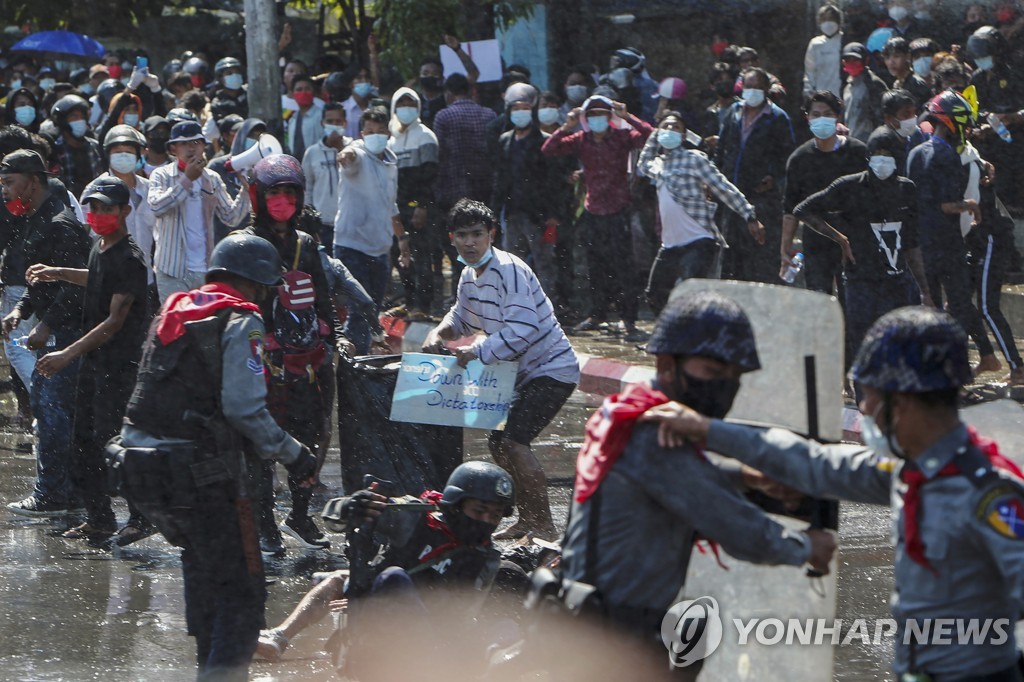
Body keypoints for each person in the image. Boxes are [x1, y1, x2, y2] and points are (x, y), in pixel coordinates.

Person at [642, 305, 1024, 682]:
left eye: (870, 395)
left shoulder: (987, 494)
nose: (864, 408)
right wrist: (709, 430)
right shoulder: (911, 473)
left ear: (902, 402)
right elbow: (814, 462)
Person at [557, 291, 835, 678]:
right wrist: (807, 547)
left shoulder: (627, 411)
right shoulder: (653, 435)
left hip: (590, 624)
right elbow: (737, 528)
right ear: (668, 365)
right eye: (712, 371)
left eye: (733, 378)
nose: (724, 387)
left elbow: (670, 484)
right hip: (615, 641)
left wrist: (746, 476)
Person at [115, 233, 318, 681]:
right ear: (255, 285)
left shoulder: (175, 308)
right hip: (200, 474)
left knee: (204, 574)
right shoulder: (240, 318)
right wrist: (296, 455)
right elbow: (244, 409)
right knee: (243, 594)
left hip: (140, 468)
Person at [423, 199, 579, 540]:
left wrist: (476, 351)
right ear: (452, 238)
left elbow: (525, 331)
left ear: (492, 234)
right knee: (498, 443)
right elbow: (461, 319)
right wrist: (437, 333)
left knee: (514, 441)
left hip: (553, 368)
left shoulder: (509, 269)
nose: (470, 242)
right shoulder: (468, 274)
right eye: (462, 235)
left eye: (477, 234)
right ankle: (528, 518)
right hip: (521, 373)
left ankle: (544, 526)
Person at [257, 461, 516, 662]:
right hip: (381, 609)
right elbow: (335, 518)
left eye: (495, 515)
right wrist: (350, 506)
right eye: (478, 511)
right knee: (345, 579)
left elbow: (462, 616)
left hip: (432, 636)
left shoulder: (488, 560)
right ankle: (280, 637)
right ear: (456, 505)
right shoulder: (415, 518)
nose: (486, 521)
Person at [24, 176, 153, 543]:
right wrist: (57, 271)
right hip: (95, 364)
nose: (97, 214)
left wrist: (67, 352)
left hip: (120, 365)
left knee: (116, 443)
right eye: (93, 207)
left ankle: (141, 518)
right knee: (84, 440)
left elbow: (115, 321)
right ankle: (99, 518)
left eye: (106, 208)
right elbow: (97, 278)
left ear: (125, 211)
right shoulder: (100, 247)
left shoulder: (130, 258)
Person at [241, 154, 341, 554]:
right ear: (258, 197)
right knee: (262, 447)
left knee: (311, 439)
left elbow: (323, 298)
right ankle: (264, 524)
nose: (281, 201)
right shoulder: (243, 245)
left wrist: (333, 338)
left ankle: (299, 514)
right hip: (261, 364)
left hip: (308, 363)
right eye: (274, 193)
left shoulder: (307, 244)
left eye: (289, 193)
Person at [793, 129, 931, 371]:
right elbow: (804, 210)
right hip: (861, 281)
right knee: (863, 345)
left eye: (887, 155)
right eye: (876, 154)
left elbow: (911, 243)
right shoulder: (850, 186)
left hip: (897, 283)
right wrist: (840, 239)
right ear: (868, 157)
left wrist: (924, 289)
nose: (882, 160)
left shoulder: (906, 189)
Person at [1, 150, 92, 517]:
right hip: (54, 331)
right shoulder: (36, 220)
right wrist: (20, 311)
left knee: (54, 414)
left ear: (32, 181)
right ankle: (66, 491)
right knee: (48, 408)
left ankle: (54, 495)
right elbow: (38, 280)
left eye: (9, 182)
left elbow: (75, 285)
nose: (4, 191)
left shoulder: (60, 223)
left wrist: (45, 324)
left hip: (69, 335)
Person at [541, 95, 653, 338]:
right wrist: (567, 126)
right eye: (591, 115)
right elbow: (549, 149)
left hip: (619, 209)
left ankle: (629, 319)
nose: (597, 119)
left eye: (602, 113)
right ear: (585, 119)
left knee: (625, 268)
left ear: (609, 117)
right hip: (593, 211)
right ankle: (597, 313)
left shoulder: (622, 137)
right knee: (596, 266)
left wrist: (627, 116)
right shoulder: (581, 139)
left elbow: (650, 136)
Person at [908, 91, 1000, 378]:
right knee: (959, 304)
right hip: (948, 245)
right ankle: (962, 365)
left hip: (921, 243)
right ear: (953, 123)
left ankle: (936, 369)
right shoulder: (946, 155)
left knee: (932, 308)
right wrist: (970, 205)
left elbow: (913, 200)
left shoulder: (914, 152)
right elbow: (947, 205)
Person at [638, 110, 762, 315]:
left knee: (689, 291)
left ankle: (692, 341)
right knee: (655, 294)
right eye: (665, 127)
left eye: (675, 127)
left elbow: (723, 187)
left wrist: (749, 214)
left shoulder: (694, 159)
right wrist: (654, 133)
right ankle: (670, 338)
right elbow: (643, 163)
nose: (670, 130)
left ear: (684, 136)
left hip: (698, 239)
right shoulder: (657, 164)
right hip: (670, 244)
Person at [334, 106, 410, 353]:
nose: (375, 135)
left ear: (388, 133)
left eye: (380, 130)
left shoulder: (390, 162)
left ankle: (359, 356)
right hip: (351, 246)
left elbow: (391, 204)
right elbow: (349, 158)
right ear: (362, 133)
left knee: (373, 309)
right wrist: (345, 155)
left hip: (380, 248)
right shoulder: (357, 154)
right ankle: (354, 364)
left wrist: (402, 239)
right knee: (361, 308)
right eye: (369, 131)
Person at [147, 120, 250, 301]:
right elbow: (157, 207)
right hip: (172, 270)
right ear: (173, 150)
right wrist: (186, 179)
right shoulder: (161, 175)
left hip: (205, 269)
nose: (191, 149)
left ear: (204, 147)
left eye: (196, 143)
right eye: (184, 144)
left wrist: (246, 190)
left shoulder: (212, 178)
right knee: (176, 325)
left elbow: (231, 217)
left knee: (204, 324)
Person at [781, 90, 868, 295]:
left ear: (837, 116)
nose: (822, 119)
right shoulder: (799, 159)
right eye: (816, 114)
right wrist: (784, 249)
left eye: (827, 114)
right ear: (808, 118)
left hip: (854, 236)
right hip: (817, 237)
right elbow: (790, 209)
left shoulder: (857, 153)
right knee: (818, 296)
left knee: (853, 299)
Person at [715, 67, 795, 283]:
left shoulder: (777, 118)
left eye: (758, 88)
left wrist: (775, 179)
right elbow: (722, 150)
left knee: (761, 256)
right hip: (731, 196)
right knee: (730, 257)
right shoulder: (733, 112)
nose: (752, 92)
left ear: (767, 89)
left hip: (762, 199)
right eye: (748, 87)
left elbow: (787, 159)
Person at [490, 83, 560, 299]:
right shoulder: (504, 141)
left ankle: (548, 308)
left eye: (525, 109)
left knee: (544, 263)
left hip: (538, 214)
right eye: (515, 109)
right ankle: (517, 306)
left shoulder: (544, 142)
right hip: (512, 212)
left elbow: (551, 181)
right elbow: (500, 179)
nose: (520, 113)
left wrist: (553, 214)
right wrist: (493, 212)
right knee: (513, 264)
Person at [433, 73, 497, 293]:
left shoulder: (443, 117)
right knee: (484, 243)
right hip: (485, 192)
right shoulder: (489, 114)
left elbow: (440, 155)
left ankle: (464, 293)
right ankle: (488, 290)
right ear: (470, 91)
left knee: (459, 246)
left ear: (448, 93)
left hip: (454, 192)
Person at [388, 86, 439, 319]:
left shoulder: (426, 136)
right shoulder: (391, 140)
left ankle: (423, 305)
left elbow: (430, 176)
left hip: (418, 208)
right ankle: (409, 302)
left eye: (410, 104)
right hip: (397, 209)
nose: (405, 108)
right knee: (401, 256)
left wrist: (423, 205)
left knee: (421, 256)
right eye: (401, 104)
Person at [100, 125, 155, 288]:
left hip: (147, 279)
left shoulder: (150, 188)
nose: (123, 155)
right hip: (112, 281)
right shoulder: (96, 189)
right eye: (117, 151)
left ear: (138, 156)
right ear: (108, 155)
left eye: (129, 151)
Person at [301, 102, 350, 247]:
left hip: (350, 223)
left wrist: (340, 148)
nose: (334, 125)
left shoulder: (354, 149)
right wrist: (310, 222)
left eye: (338, 122)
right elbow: (307, 188)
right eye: (330, 121)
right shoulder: (312, 153)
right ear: (322, 123)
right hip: (323, 225)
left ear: (345, 123)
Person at [50, 94, 104, 197]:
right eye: (74, 116)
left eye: (82, 117)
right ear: (62, 121)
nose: (79, 120)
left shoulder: (94, 146)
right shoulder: (56, 149)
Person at [871, 88, 928, 176]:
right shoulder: (880, 142)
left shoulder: (919, 137)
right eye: (906, 115)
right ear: (888, 118)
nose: (912, 119)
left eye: (914, 113)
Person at [841, 42, 889, 143]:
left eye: (856, 60)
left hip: (870, 142)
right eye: (848, 60)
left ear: (865, 61)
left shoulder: (873, 84)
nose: (852, 63)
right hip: (852, 143)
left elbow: (883, 118)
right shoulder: (848, 87)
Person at [803, 4, 844, 100]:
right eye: (824, 20)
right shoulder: (815, 44)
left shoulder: (844, 41)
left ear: (838, 21)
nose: (828, 23)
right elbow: (809, 72)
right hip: (821, 96)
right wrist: (808, 93)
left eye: (831, 19)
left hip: (841, 97)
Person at [881, 37, 932, 108]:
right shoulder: (897, 84)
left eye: (896, 56)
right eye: (887, 58)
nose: (891, 62)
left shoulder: (917, 84)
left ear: (907, 56)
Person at [284, 74, 323, 163]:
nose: (303, 92)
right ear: (293, 94)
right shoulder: (292, 120)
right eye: (299, 90)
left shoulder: (322, 116)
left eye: (307, 89)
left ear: (313, 92)